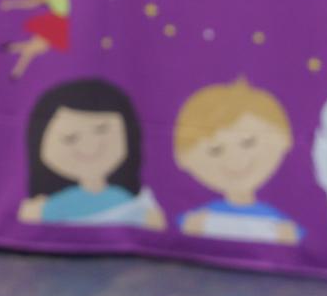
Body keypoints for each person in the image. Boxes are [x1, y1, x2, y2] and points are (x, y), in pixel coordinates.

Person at [17, 77, 165, 230]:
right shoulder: (52, 206)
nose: (90, 145)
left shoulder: (130, 202)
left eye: (102, 130)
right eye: (70, 138)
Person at [174, 77, 302, 245]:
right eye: (215, 150)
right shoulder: (197, 221)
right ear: (184, 158)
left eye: (248, 142)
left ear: (284, 139)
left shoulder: (283, 229)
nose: (235, 159)